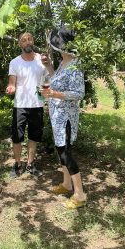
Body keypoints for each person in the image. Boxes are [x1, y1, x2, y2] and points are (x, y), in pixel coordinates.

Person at [41, 28, 87, 209]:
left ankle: (80, 195)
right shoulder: (63, 62)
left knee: (66, 152)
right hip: (57, 115)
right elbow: (56, 80)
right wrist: (49, 67)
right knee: (61, 150)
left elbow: (79, 93)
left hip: (66, 117)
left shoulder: (76, 65)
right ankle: (67, 184)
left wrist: (54, 94)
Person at [6, 32, 46, 178]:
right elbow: (12, 83)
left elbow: (47, 80)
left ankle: (30, 164)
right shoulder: (14, 62)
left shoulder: (41, 60)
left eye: (30, 39)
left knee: (34, 136)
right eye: (24, 41)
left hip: (37, 104)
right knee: (17, 137)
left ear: (33, 42)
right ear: (19, 45)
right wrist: (11, 88)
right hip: (20, 104)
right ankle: (17, 164)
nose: (28, 42)